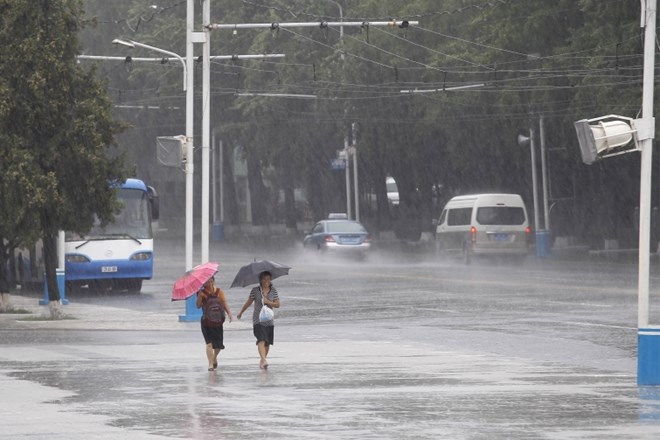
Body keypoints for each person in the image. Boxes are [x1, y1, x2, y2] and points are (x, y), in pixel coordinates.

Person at [236, 271, 281, 370]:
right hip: (258, 320)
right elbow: (248, 302)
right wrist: (241, 312)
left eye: (268, 279)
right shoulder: (255, 290)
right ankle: (264, 360)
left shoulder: (273, 291)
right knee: (261, 339)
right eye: (264, 279)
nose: (266, 281)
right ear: (260, 280)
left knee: (267, 343)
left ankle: (262, 360)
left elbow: (278, 304)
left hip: (269, 320)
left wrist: (268, 302)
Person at [196, 276, 233, 371]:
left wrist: (229, 313)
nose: (208, 282)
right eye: (206, 281)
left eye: (210, 280)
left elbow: (224, 303)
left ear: (213, 281)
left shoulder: (219, 292)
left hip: (218, 321)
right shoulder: (201, 292)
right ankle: (210, 364)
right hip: (206, 321)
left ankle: (214, 357)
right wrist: (199, 296)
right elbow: (198, 306)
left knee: (218, 346)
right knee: (209, 344)